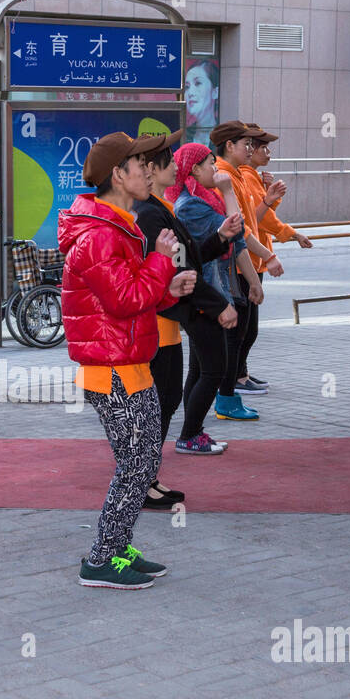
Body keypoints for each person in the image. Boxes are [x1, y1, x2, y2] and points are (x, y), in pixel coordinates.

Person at [58, 131, 197, 590]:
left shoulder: (118, 225)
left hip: (129, 365)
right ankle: (101, 558)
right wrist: (160, 265)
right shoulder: (99, 235)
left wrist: (166, 287)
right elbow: (122, 300)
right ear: (118, 174)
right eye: (141, 164)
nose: (150, 171)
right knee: (136, 465)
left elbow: (134, 298)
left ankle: (116, 547)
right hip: (112, 370)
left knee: (139, 463)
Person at [135, 133, 246, 504]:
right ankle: (142, 481)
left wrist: (219, 237)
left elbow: (189, 258)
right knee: (160, 403)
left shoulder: (157, 207)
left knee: (164, 401)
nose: (175, 167)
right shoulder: (149, 212)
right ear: (149, 169)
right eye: (169, 162)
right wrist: (219, 305)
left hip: (168, 319)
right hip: (162, 318)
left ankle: (147, 478)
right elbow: (178, 273)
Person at [168, 142, 252, 456]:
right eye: (209, 164)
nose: (214, 170)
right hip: (205, 291)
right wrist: (229, 191)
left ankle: (192, 432)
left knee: (199, 368)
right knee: (213, 370)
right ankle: (190, 434)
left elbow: (228, 237)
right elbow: (235, 233)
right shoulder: (189, 205)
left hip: (206, 289)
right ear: (193, 169)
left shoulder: (197, 199)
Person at [210, 120, 285, 421]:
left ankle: (228, 393)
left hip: (245, 263)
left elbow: (249, 224)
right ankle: (226, 394)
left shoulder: (236, 176)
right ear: (230, 146)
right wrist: (269, 254)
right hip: (234, 266)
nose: (253, 149)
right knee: (233, 336)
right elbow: (239, 230)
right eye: (248, 144)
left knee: (243, 332)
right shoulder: (224, 178)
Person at [231, 123, 314, 393]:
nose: (265, 152)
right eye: (256, 146)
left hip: (254, 258)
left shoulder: (248, 176)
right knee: (243, 328)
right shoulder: (239, 176)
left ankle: (240, 373)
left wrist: (270, 201)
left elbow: (256, 221)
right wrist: (288, 232)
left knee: (247, 327)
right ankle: (235, 378)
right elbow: (256, 221)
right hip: (248, 260)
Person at [184, 60, 219, 146]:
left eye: (198, 83)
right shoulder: (184, 135)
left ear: (215, 92)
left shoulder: (225, 136)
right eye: (187, 87)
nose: (190, 93)